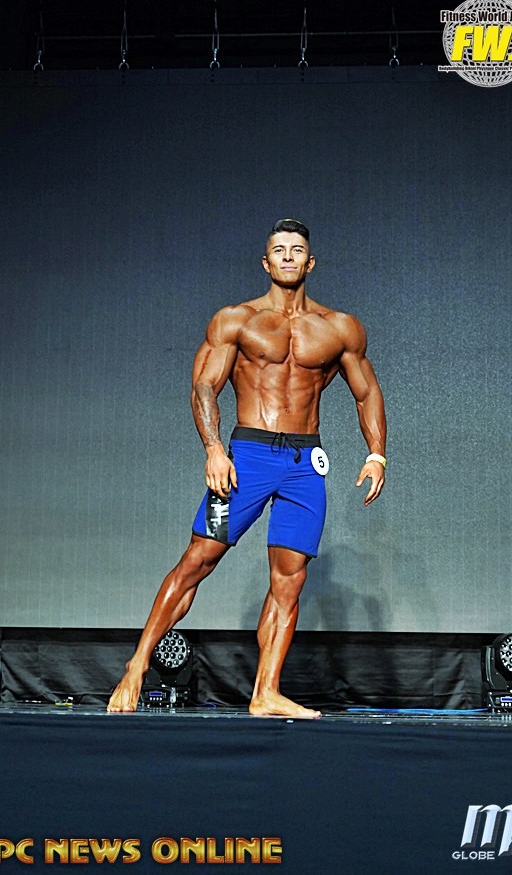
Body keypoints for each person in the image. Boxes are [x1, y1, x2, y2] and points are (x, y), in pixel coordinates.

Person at [107, 218, 386, 717]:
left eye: (296, 250)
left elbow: (366, 391)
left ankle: (266, 692)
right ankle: (137, 665)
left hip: (305, 463)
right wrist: (214, 449)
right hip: (247, 458)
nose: (287, 257)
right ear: (265, 261)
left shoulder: (340, 328)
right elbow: (204, 386)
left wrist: (376, 453)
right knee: (199, 559)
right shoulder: (236, 320)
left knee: (290, 579)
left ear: (310, 262)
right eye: (278, 250)